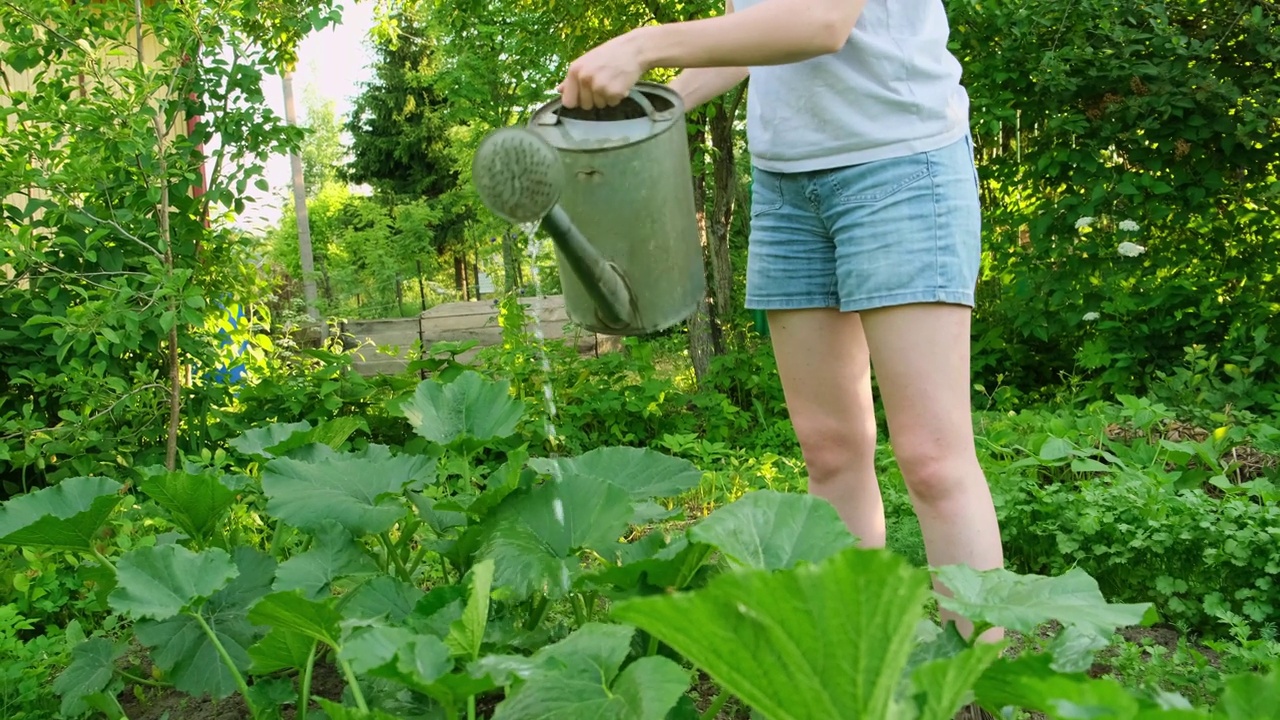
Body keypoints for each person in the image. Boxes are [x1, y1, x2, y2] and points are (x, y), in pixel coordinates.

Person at [557, 0, 1005, 656]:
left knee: (934, 460)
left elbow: (821, 21)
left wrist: (643, 45)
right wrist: (665, 103)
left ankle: (977, 687)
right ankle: (848, 673)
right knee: (828, 450)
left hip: (901, 166)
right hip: (788, 186)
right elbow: (758, 35)